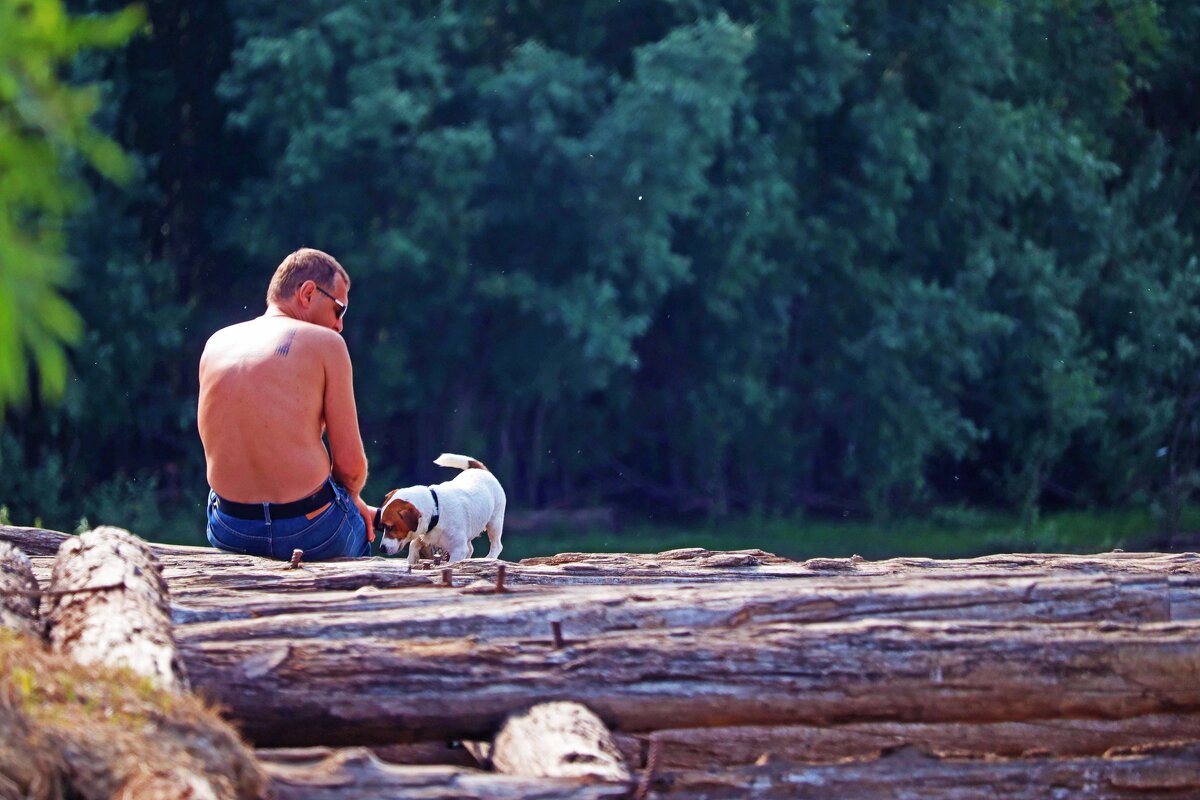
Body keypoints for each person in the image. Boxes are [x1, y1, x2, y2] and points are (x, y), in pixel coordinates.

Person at [198, 248, 377, 560]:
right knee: (358, 526)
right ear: (308, 293)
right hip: (311, 531)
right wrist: (351, 501)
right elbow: (350, 469)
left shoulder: (216, 342)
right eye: (339, 311)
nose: (340, 326)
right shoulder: (327, 345)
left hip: (231, 528)